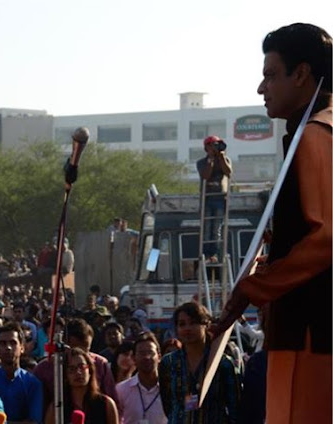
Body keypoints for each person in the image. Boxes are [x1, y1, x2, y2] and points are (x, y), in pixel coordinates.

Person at [214, 23, 332, 424]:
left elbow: (327, 237)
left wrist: (255, 286)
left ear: (301, 75)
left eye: (270, 75)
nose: (262, 88)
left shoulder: (318, 134)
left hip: (312, 336)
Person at [159, 302, 240, 423]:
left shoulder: (221, 363)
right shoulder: (169, 362)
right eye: (182, 324)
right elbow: (167, 403)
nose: (187, 329)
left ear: (206, 325)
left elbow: (235, 406)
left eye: (193, 323)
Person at [0, 322, 44, 423]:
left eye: (13, 343)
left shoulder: (33, 384)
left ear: (22, 347)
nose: (8, 347)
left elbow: (33, 421)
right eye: (3, 343)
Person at [45, 347, 119, 424]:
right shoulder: (57, 408)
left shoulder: (106, 404)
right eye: (72, 369)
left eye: (82, 367)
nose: (78, 372)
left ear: (90, 371)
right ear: (65, 375)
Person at [115, 332, 167, 424]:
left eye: (150, 352)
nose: (146, 357)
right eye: (142, 353)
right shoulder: (121, 390)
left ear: (159, 357)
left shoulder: (170, 388)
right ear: (134, 358)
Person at [196, 135, 232, 262]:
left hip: (220, 198)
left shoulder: (225, 159)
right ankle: (206, 254)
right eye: (212, 145)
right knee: (207, 228)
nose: (215, 147)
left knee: (217, 228)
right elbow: (205, 176)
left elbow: (228, 172)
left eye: (217, 145)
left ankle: (214, 255)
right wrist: (211, 160)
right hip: (207, 199)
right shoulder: (201, 162)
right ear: (206, 148)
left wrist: (221, 157)